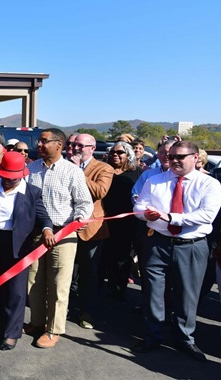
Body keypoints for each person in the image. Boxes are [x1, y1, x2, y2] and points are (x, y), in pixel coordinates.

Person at [132, 141, 221, 361]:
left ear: (196, 158)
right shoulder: (154, 181)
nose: (174, 161)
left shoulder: (209, 184)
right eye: (171, 157)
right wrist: (146, 215)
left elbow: (206, 215)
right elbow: (139, 207)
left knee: (187, 295)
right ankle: (153, 336)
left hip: (191, 245)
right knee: (153, 292)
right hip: (157, 243)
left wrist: (170, 217)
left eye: (180, 157)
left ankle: (185, 339)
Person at [24, 128, 93, 349]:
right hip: (35, 233)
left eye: (44, 141)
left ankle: (53, 329)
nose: (39, 145)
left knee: (58, 284)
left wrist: (79, 219)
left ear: (59, 145)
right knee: (34, 281)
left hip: (63, 233)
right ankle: (36, 322)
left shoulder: (72, 172)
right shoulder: (31, 169)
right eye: (39, 141)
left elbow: (84, 203)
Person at [0, 151, 53, 351]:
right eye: (5, 176)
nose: (7, 181)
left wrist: (48, 229)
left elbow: (44, 217)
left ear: (21, 175)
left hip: (17, 245)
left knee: (16, 291)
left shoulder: (31, 192)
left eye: (12, 178)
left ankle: (12, 333)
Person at [67, 134, 113, 330]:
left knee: (89, 274)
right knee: (66, 273)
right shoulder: (64, 164)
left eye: (81, 145)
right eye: (74, 144)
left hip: (91, 230)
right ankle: (63, 309)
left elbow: (99, 192)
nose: (76, 148)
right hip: (66, 226)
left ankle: (87, 311)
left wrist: (77, 171)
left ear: (92, 148)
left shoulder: (104, 168)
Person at [102, 142, 143, 300]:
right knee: (104, 256)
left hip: (127, 223)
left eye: (120, 152)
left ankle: (118, 289)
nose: (115, 155)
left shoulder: (137, 173)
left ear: (128, 155)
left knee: (122, 257)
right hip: (103, 220)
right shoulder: (104, 171)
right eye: (113, 152)